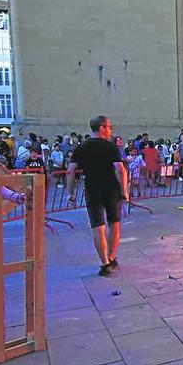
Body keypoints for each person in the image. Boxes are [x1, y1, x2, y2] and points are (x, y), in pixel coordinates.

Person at [66, 116, 128, 277]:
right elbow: (120, 170)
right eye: (109, 127)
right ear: (101, 128)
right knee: (114, 223)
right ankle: (111, 256)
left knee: (97, 226)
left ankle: (104, 263)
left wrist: (70, 193)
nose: (110, 130)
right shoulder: (110, 147)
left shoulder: (82, 147)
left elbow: (70, 171)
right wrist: (124, 190)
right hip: (111, 189)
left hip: (92, 190)